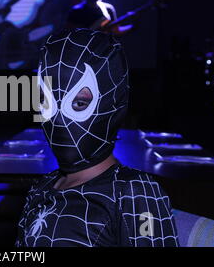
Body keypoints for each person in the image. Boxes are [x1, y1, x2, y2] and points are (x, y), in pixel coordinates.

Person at [15, 29, 179, 247]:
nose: (58, 118)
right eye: (46, 101)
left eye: (79, 103)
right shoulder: (42, 187)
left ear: (111, 102)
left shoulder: (135, 192)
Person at [67, 0, 137, 36]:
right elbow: (71, 34)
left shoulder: (108, 9)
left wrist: (133, 25)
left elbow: (116, 31)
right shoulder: (76, 11)